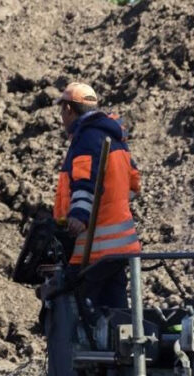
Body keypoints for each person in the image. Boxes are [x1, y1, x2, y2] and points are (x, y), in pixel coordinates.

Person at [53, 82, 141, 309]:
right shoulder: (115, 137)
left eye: (62, 110)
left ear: (69, 110)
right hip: (121, 248)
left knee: (81, 314)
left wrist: (79, 216)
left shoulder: (87, 137)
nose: (61, 117)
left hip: (95, 248)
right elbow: (133, 184)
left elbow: (85, 181)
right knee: (115, 311)